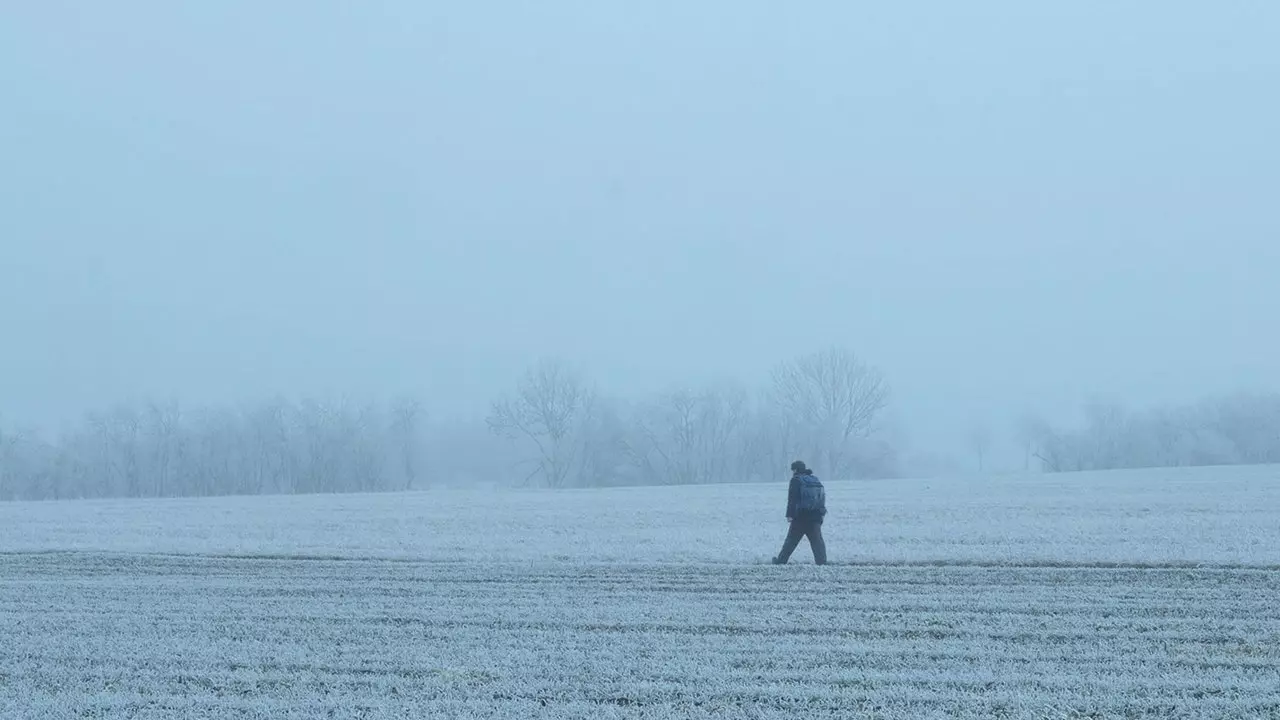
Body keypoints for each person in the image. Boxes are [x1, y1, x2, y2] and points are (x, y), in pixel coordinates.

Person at [772, 460, 827, 565]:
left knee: (791, 541)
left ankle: (781, 561)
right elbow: (822, 497)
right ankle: (822, 562)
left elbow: (792, 499)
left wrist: (790, 515)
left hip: (801, 516)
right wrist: (821, 514)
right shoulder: (815, 480)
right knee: (817, 541)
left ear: (796, 469)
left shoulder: (796, 480)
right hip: (815, 516)